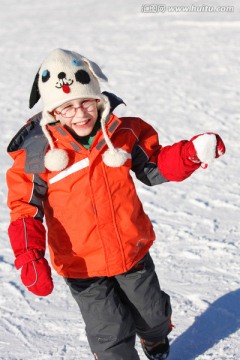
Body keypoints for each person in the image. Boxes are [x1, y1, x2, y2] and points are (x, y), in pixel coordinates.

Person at [6, 48, 225, 360]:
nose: (80, 113)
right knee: (109, 335)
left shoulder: (123, 132)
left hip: (131, 248)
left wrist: (189, 154)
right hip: (82, 265)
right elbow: (24, 208)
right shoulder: (37, 155)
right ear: (53, 112)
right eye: (67, 107)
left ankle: (155, 342)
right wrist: (29, 256)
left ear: (98, 99)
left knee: (154, 317)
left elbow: (155, 166)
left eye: (86, 102)